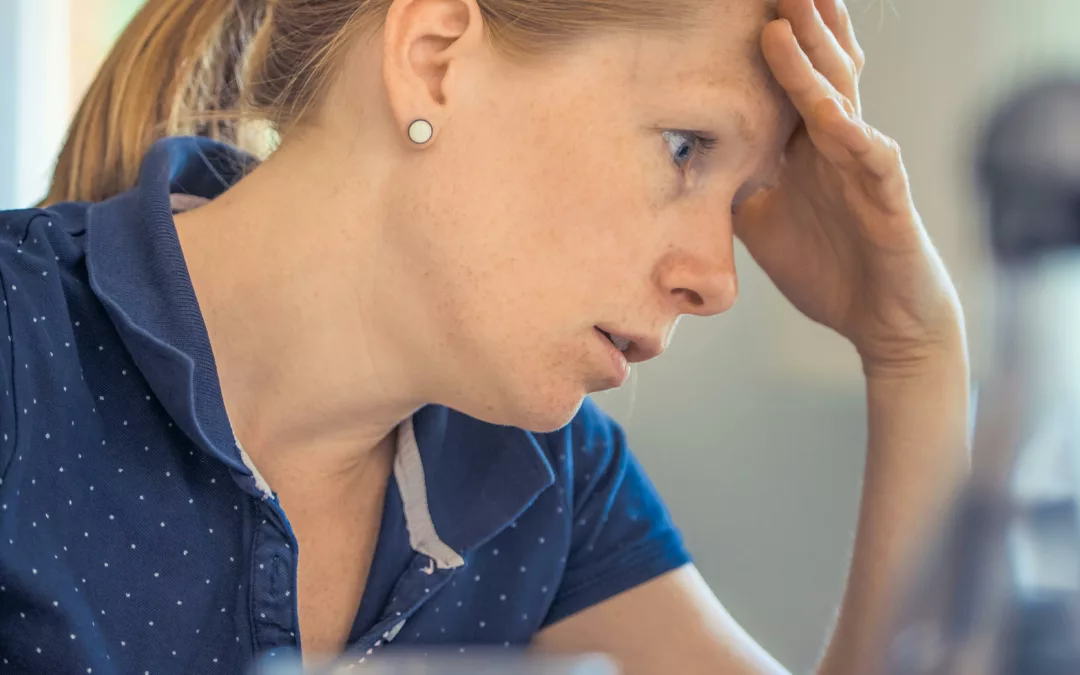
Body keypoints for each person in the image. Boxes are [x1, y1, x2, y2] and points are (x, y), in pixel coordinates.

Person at [0, 0, 971, 673]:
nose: (716, 282)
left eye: (744, 200)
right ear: (434, 58)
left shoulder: (546, 479)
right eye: (685, 149)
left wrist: (913, 350)